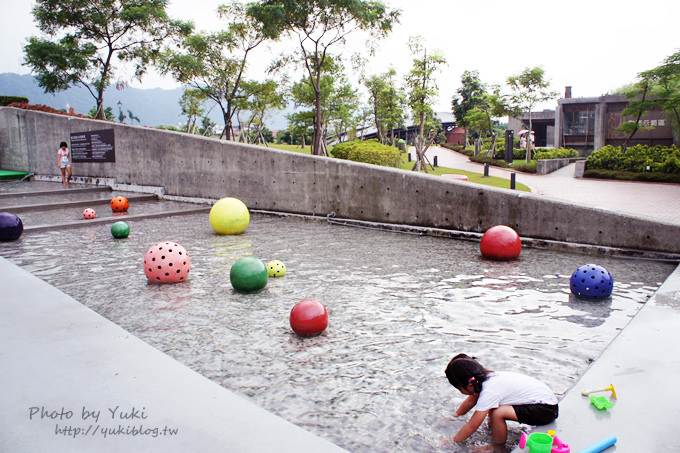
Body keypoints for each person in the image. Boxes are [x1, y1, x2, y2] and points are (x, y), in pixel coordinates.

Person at [445, 354, 558, 450]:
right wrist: (455, 415)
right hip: (544, 403)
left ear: (469, 385)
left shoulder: (489, 391)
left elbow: (472, 425)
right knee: (492, 407)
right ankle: (493, 430)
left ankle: (498, 447)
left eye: (459, 389)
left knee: (497, 413)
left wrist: (452, 441)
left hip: (546, 410)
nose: (461, 392)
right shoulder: (486, 379)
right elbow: (471, 400)